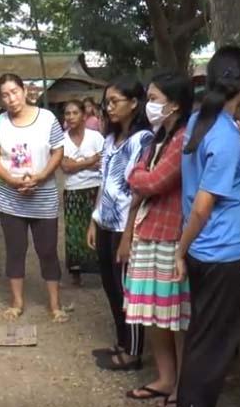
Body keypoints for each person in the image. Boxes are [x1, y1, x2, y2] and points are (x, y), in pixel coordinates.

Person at [174, 45, 240, 407]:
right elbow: (204, 206)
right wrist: (179, 250)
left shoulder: (200, 122)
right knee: (213, 345)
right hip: (219, 252)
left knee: (203, 335)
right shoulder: (225, 136)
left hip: (203, 249)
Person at [118, 72, 193, 404]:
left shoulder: (183, 138)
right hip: (148, 232)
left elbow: (152, 182)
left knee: (176, 317)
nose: (148, 105)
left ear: (174, 104)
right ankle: (166, 379)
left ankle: (182, 386)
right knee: (155, 315)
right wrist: (140, 175)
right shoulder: (158, 138)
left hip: (171, 235)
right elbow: (140, 177)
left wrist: (137, 174)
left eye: (153, 99)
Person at [0, 73, 69, 323]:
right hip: (10, 198)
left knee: (48, 250)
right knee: (15, 250)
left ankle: (55, 304)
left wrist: (41, 176)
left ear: (24, 91)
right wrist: (11, 180)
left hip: (43, 196)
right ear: (0, 99)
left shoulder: (47, 118)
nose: (11, 99)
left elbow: (58, 151)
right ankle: (17, 303)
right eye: (5, 95)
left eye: (14, 92)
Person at [87, 76, 154, 370]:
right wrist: (94, 220)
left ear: (134, 103)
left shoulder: (143, 140)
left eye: (115, 101)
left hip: (125, 226)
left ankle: (134, 352)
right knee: (110, 286)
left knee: (127, 289)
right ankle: (122, 341)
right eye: (107, 102)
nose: (109, 107)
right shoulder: (110, 140)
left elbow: (138, 191)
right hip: (106, 222)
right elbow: (104, 182)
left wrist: (128, 235)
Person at [60, 99, 104, 286]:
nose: (71, 117)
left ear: (84, 116)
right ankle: (76, 271)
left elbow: (103, 162)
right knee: (74, 230)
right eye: (67, 113)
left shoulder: (96, 137)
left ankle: (99, 267)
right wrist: (90, 161)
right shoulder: (61, 139)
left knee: (98, 228)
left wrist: (76, 164)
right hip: (73, 189)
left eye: (75, 113)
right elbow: (65, 166)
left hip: (96, 188)